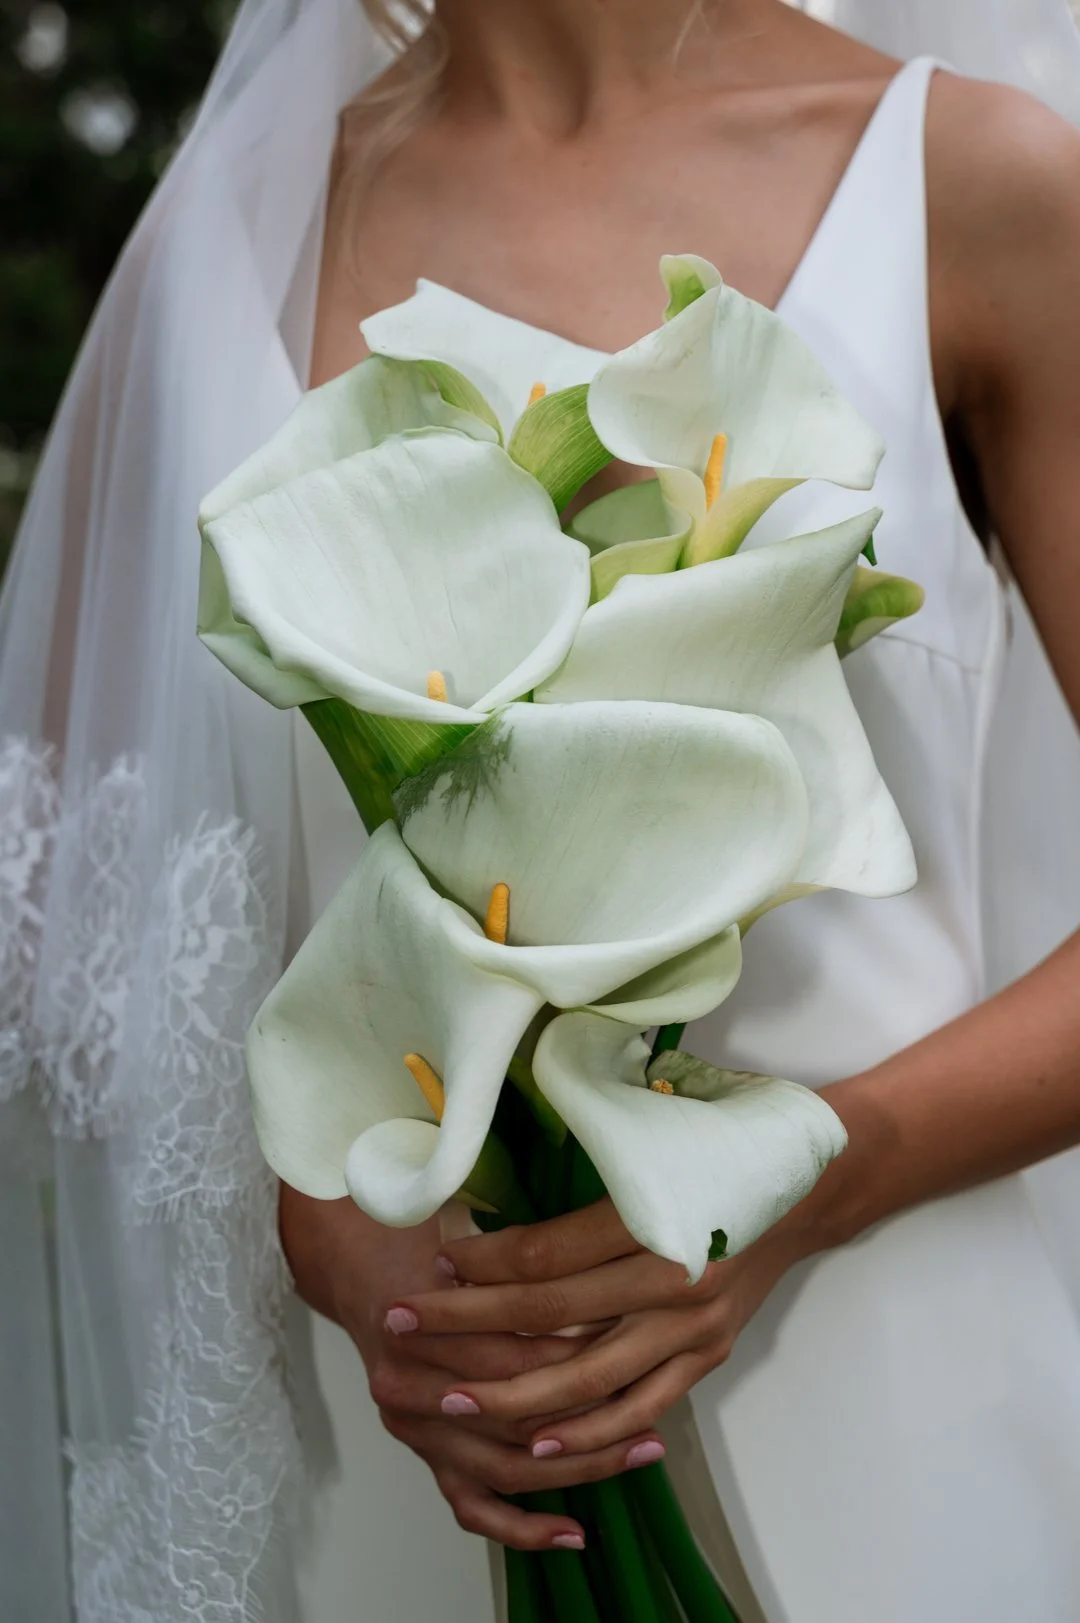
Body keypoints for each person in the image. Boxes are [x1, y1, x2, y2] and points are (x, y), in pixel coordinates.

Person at [2, 3, 1079, 1621]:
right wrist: (316, 1217)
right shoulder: (229, 244)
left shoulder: (972, 184)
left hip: (896, 1397)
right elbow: (80, 911)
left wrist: (818, 1172)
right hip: (431, 1441)